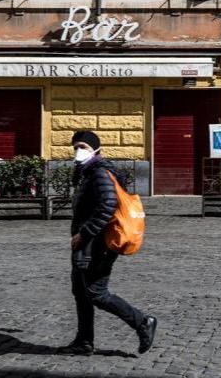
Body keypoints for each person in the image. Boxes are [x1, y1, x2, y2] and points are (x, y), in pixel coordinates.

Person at [64, 130, 157, 356]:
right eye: (76, 146)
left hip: (98, 244)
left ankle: (143, 321)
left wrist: (84, 233)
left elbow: (107, 205)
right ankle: (84, 341)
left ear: (95, 148)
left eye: (83, 146)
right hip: (86, 244)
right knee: (81, 291)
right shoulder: (86, 172)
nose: (78, 150)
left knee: (97, 293)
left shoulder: (99, 172)